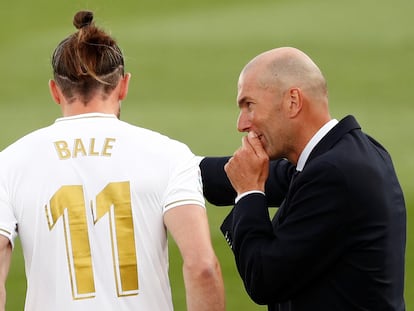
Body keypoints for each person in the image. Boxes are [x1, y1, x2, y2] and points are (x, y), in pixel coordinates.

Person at [0, 11, 225, 311]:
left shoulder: (11, 162)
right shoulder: (170, 155)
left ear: (55, 91)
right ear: (123, 85)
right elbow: (203, 267)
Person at [199, 47, 406, 310]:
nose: (241, 124)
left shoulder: (333, 175)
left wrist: (249, 193)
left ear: (293, 101)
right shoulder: (349, 152)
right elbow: (251, 174)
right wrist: (175, 166)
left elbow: (263, 278)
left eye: (249, 105)